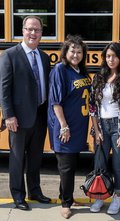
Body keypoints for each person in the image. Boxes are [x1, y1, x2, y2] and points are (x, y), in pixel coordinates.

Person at [0, 16, 51, 210]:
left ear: (41, 33)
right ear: (23, 30)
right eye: (30, 29)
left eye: (37, 30)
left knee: (36, 156)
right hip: (18, 118)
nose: (33, 33)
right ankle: (18, 195)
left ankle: (35, 191)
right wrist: (8, 115)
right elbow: (4, 89)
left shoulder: (44, 57)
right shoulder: (10, 55)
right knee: (17, 158)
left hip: (40, 113)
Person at [89, 42, 120, 215]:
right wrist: (96, 130)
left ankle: (116, 197)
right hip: (101, 126)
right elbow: (92, 107)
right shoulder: (99, 77)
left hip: (119, 126)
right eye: (108, 56)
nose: (111, 59)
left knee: (118, 165)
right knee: (100, 165)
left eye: (114, 56)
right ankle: (99, 196)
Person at [47, 35, 90, 219]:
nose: (76, 54)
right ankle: (65, 203)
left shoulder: (80, 71)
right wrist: (63, 125)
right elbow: (56, 101)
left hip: (79, 127)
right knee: (65, 167)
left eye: (79, 51)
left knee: (71, 166)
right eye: (72, 50)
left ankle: (68, 197)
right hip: (66, 127)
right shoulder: (60, 70)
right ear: (65, 51)